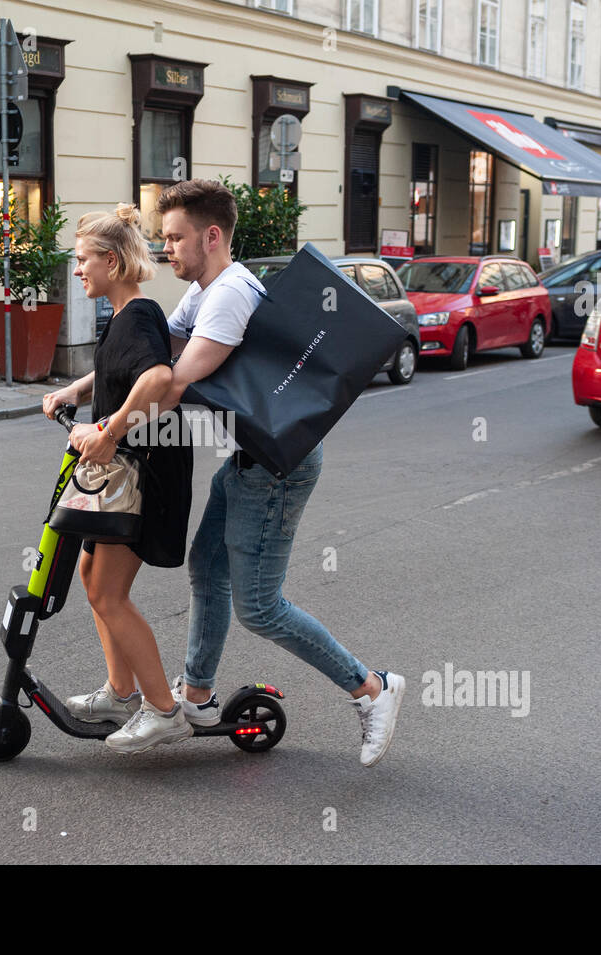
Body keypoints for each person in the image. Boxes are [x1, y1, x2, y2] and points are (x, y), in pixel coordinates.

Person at [157, 179, 404, 767]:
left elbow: (174, 380)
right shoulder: (202, 290)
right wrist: (86, 384)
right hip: (249, 458)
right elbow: (151, 351)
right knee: (207, 569)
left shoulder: (228, 295)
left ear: (211, 236)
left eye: (174, 237)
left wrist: (112, 424)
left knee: (261, 607)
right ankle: (196, 695)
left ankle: (372, 688)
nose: (166, 248)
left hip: (275, 469)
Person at [41, 205, 194, 754]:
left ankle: (163, 711)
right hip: (130, 470)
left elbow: (156, 376)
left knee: (108, 593)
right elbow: (116, 366)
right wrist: (73, 393)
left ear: (110, 260)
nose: (77, 269)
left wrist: (106, 428)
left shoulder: (135, 315)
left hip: (141, 472)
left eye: (82, 260)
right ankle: (121, 693)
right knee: (90, 576)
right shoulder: (129, 314)